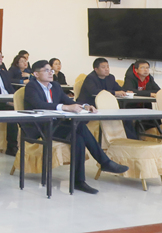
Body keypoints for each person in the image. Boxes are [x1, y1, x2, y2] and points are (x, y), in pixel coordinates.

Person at [24, 60, 129, 194]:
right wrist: (64, 107)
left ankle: (79, 181)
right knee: (79, 131)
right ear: (36, 74)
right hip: (41, 127)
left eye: (51, 70)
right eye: (47, 70)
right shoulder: (31, 86)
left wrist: (85, 106)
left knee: (78, 136)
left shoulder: (55, 85)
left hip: (56, 125)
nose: (51, 73)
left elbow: (68, 101)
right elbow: (38, 104)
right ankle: (103, 163)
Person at [79, 58, 137, 139]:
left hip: (107, 107)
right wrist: (114, 93)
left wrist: (126, 92)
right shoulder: (90, 78)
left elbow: (118, 88)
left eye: (108, 66)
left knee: (126, 117)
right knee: (119, 117)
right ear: (96, 69)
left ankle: (131, 139)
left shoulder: (110, 77)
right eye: (103, 67)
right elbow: (94, 91)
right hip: (92, 106)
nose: (106, 69)